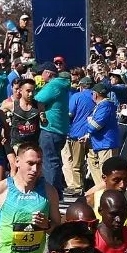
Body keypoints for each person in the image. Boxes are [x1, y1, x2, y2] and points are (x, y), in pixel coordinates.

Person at [34, 62, 71, 194]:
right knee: (55, 161)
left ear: (48, 73)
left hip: (50, 129)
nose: (39, 76)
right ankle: (57, 192)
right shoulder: (62, 84)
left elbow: (37, 99)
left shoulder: (54, 85)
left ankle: (51, 193)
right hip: (60, 129)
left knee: (49, 162)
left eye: (41, 73)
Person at [85, 84, 121, 188]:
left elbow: (94, 126)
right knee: (99, 170)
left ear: (95, 94)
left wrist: (88, 124)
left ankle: (107, 192)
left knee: (107, 172)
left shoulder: (105, 106)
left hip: (106, 144)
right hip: (101, 143)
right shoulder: (104, 106)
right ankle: (101, 191)